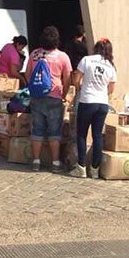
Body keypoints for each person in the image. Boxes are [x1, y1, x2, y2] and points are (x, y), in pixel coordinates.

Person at [26, 25, 72, 172]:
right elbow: (67, 79)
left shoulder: (34, 54)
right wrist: (63, 95)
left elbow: (28, 74)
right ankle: (56, 163)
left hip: (37, 96)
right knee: (54, 131)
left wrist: (34, 88)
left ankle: (36, 161)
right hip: (54, 96)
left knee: (37, 129)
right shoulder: (62, 57)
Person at [69, 38, 117, 179]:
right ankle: (95, 168)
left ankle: (81, 167)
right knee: (97, 135)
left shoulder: (87, 60)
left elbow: (76, 79)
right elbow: (111, 89)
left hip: (87, 101)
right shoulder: (111, 66)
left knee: (82, 134)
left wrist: (81, 88)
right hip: (102, 103)